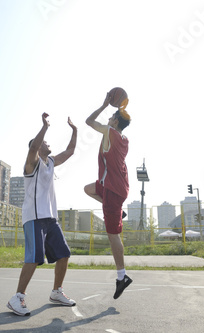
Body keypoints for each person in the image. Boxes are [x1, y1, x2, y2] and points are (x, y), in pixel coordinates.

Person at [7, 112, 77, 316]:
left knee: (64, 254)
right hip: (33, 218)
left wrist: (75, 131)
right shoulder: (32, 164)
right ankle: (17, 297)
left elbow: (71, 151)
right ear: (37, 148)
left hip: (50, 218)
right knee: (34, 258)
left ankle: (56, 292)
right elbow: (33, 148)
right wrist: (44, 127)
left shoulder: (51, 162)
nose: (47, 143)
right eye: (43, 142)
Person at [84, 92, 132, 299]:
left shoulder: (110, 133)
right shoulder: (124, 138)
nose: (108, 120)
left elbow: (89, 121)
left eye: (110, 117)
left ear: (114, 121)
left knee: (113, 235)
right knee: (88, 189)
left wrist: (104, 104)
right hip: (114, 186)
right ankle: (118, 213)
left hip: (112, 191)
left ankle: (122, 276)